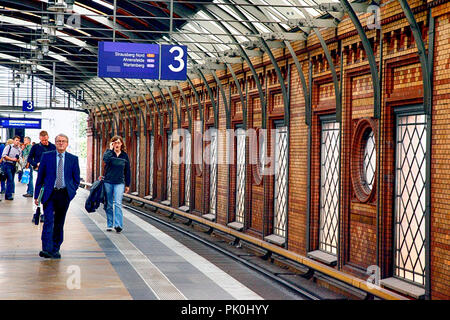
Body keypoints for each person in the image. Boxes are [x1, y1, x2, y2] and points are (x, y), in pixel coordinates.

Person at [34, 134, 80, 259]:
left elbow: (76, 179)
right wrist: (36, 195)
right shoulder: (47, 157)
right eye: (58, 141)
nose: (61, 143)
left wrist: (72, 192)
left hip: (64, 194)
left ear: (67, 143)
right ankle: (46, 249)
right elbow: (40, 177)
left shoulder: (73, 159)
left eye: (63, 141)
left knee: (59, 222)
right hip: (50, 193)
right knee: (48, 220)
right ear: (55, 143)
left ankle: (55, 248)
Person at [102, 135, 130, 233]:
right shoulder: (109, 154)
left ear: (121, 144)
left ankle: (118, 225)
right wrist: (110, 150)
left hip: (119, 183)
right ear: (112, 144)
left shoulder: (124, 156)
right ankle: (110, 224)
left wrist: (127, 184)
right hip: (108, 182)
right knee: (109, 204)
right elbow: (105, 160)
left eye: (118, 142)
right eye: (114, 143)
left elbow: (127, 171)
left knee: (118, 203)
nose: (116, 145)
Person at [27, 131, 56, 222]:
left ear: (48, 137)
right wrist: (36, 164)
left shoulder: (53, 147)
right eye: (42, 140)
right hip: (37, 171)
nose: (44, 142)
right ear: (40, 138)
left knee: (48, 192)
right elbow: (29, 158)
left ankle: (44, 213)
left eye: (46, 140)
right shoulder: (35, 147)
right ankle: (36, 212)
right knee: (37, 191)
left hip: (50, 173)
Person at [1, 136, 22, 200]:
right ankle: (9, 195)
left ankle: (8, 195)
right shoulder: (9, 147)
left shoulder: (19, 149)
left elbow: (20, 157)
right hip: (7, 165)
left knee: (11, 180)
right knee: (9, 179)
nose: (17, 141)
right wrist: (12, 159)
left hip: (13, 165)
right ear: (13, 140)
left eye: (18, 140)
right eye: (16, 140)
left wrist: (18, 160)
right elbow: (4, 155)